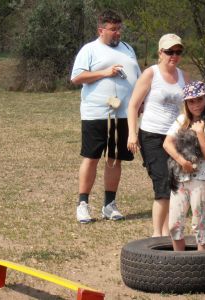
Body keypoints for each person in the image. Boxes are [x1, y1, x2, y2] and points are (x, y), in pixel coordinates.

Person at [71, 10, 141, 223]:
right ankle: (83, 204)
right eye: (113, 29)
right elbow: (77, 77)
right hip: (97, 114)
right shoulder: (90, 50)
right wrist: (105, 72)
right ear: (101, 30)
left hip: (123, 114)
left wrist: (140, 102)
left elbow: (137, 78)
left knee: (114, 159)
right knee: (91, 158)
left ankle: (109, 205)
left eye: (119, 29)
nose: (117, 33)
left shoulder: (128, 49)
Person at [127, 34, 189, 237]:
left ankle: (168, 232)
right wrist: (132, 135)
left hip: (175, 137)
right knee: (162, 183)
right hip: (152, 136)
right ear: (160, 53)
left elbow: (190, 107)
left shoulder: (183, 76)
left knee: (175, 184)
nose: (174, 56)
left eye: (178, 52)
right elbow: (133, 105)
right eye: (170, 52)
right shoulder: (150, 74)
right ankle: (156, 236)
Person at [163, 81, 205, 251]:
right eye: (191, 101)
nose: (196, 104)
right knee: (174, 225)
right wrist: (182, 161)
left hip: (200, 179)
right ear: (186, 103)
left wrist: (200, 132)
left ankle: (202, 266)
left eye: (199, 100)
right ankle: (180, 264)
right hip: (180, 178)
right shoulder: (181, 120)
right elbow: (167, 143)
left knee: (199, 223)